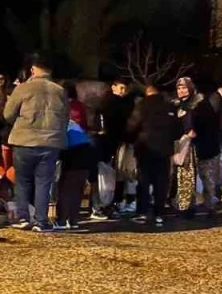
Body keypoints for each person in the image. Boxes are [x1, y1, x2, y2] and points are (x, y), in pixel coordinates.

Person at [3, 54, 68, 233]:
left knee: (22, 181)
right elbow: (65, 118)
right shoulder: (60, 91)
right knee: (44, 182)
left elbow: (8, 114)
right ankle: (41, 221)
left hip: (24, 139)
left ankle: (23, 217)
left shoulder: (23, 89)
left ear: (32, 69)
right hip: (50, 142)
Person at [125, 81, 178, 227]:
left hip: (145, 148)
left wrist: (130, 139)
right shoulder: (169, 106)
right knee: (161, 182)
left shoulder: (142, 105)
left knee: (144, 181)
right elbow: (177, 129)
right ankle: (159, 214)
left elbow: (132, 125)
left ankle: (142, 212)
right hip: (164, 149)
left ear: (148, 91)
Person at [174, 76, 220, 216]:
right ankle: (187, 206)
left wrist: (195, 130)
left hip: (205, 147)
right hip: (186, 148)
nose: (181, 91)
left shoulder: (201, 104)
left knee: (208, 178)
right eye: (179, 88)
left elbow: (209, 124)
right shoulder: (177, 105)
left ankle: (210, 205)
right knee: (186, 178)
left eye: (184, 88)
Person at [93, 76, 135, 219]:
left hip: (116, 141)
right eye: (121, 88)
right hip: (110, 141)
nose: (123, 91)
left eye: (125, 88)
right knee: (110, 174)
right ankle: (106, 203)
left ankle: (110, 203)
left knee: (115, 174)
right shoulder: (109, 103)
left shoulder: (123, 102)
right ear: (113, 87)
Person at [56, 113, 96, 230]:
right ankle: (74, 220)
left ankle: (61, 221)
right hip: (87, 156)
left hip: (73, 156)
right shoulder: (73, 123)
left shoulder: (60, 124)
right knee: (77, 191)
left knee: (66, 190)